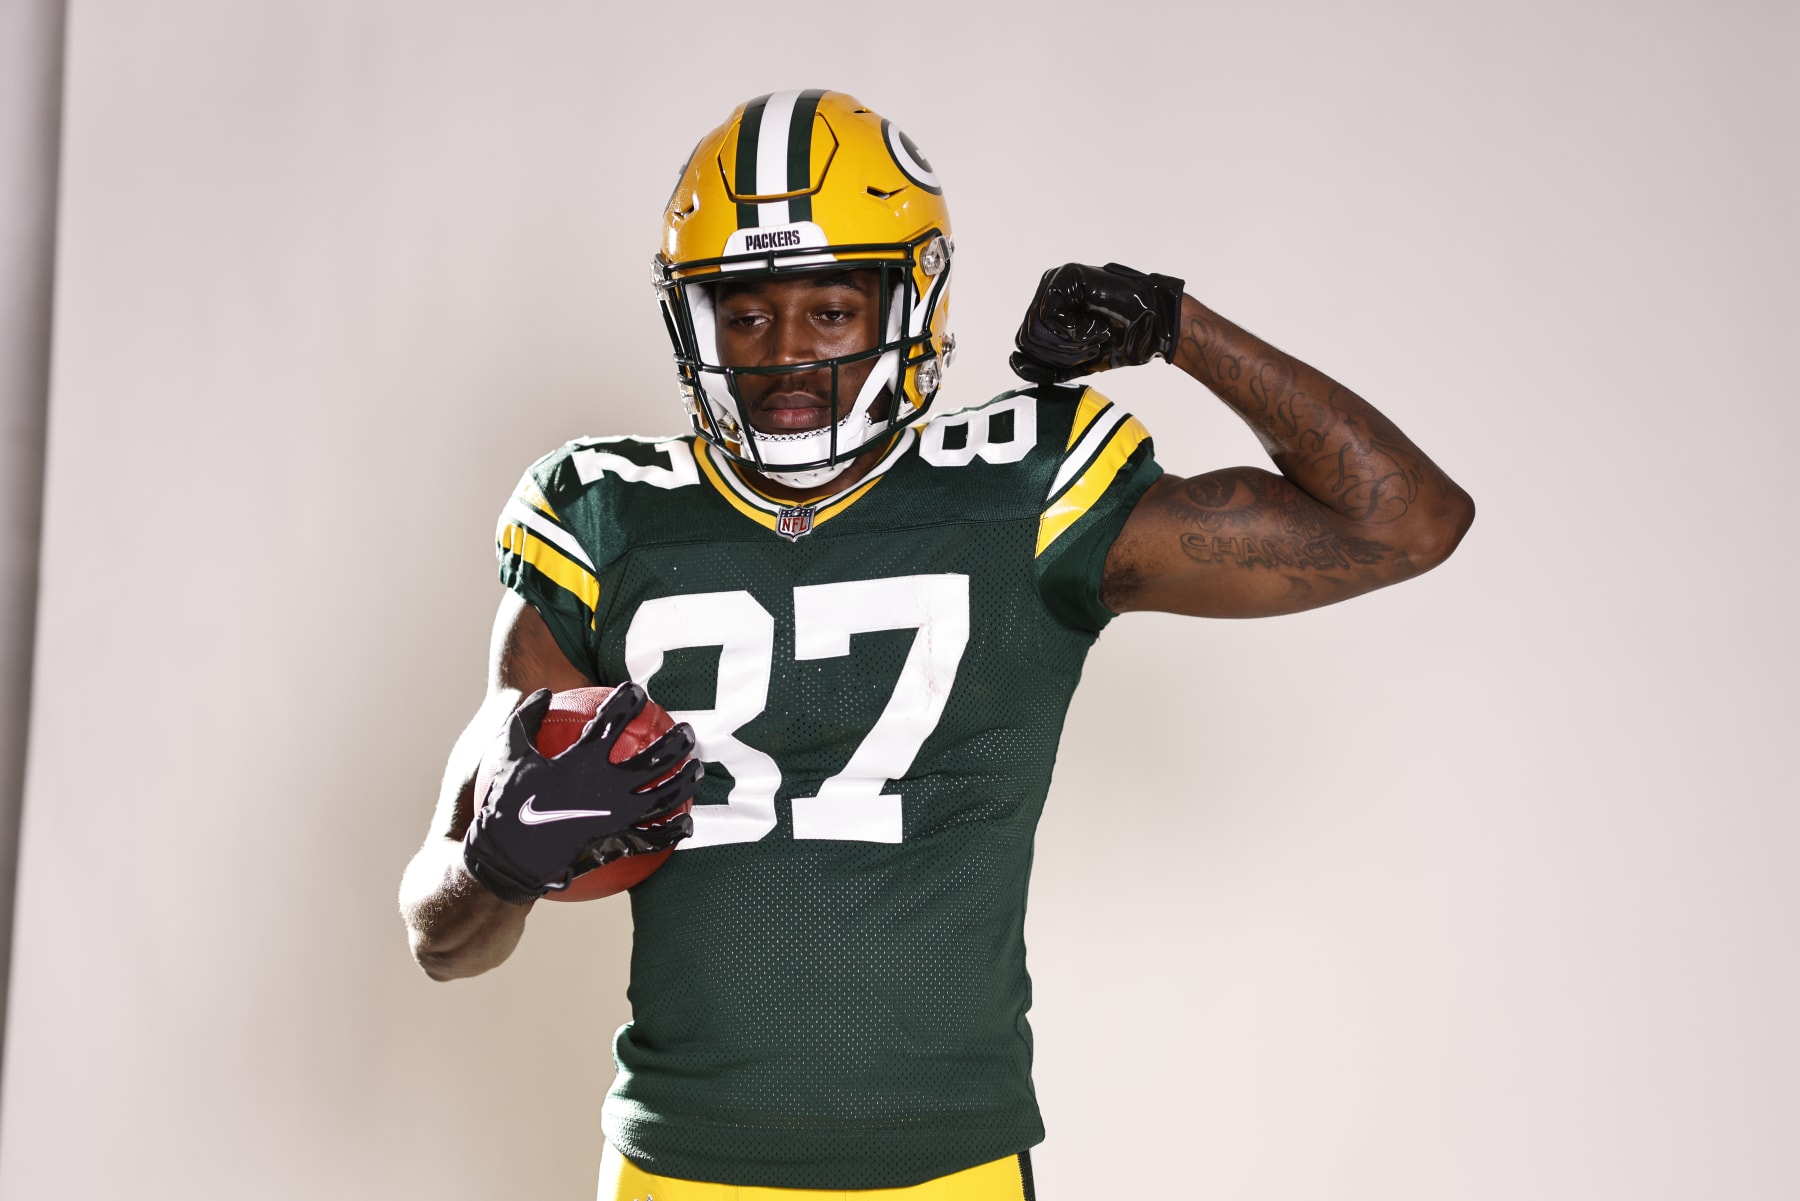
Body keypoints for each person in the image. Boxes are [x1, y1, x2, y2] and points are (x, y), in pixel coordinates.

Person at [398, 89, 1474, 1200]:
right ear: (697, 320)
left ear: (906, 303)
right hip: (682, 1166)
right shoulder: (608, 513)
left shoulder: (1024, 493)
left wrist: (1177, 327)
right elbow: (442, 936)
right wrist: (496, 863)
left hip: (948, 1166)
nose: (784, 358)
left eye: (829, 311)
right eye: (748, 314)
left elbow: (1403, 521)